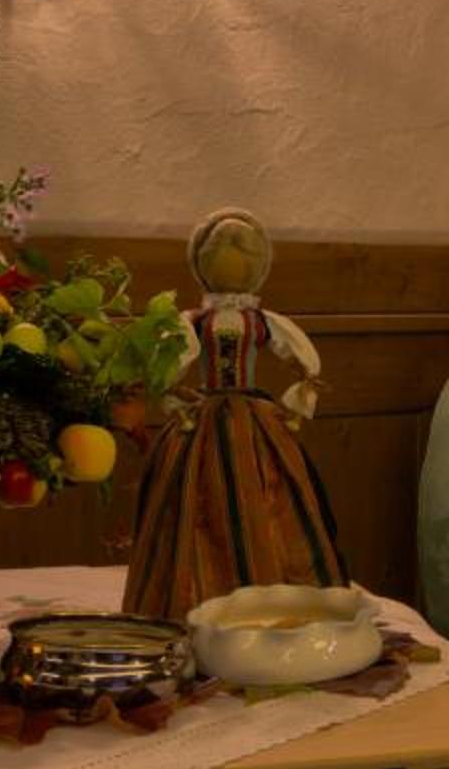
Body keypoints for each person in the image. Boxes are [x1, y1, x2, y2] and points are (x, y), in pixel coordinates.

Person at [120, 208, 347, 620]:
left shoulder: (262, 321)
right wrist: (170, 394)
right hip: (202, 415)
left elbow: (304, 361)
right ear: (201, 263)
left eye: (243, 251)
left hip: (252, 419)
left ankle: (270, 598)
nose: (232, 258)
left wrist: (299, 400)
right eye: (221, 249)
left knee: (267, 494)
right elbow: (171, 363)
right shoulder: (193, 322)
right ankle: (193, 598)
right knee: (195, 501)